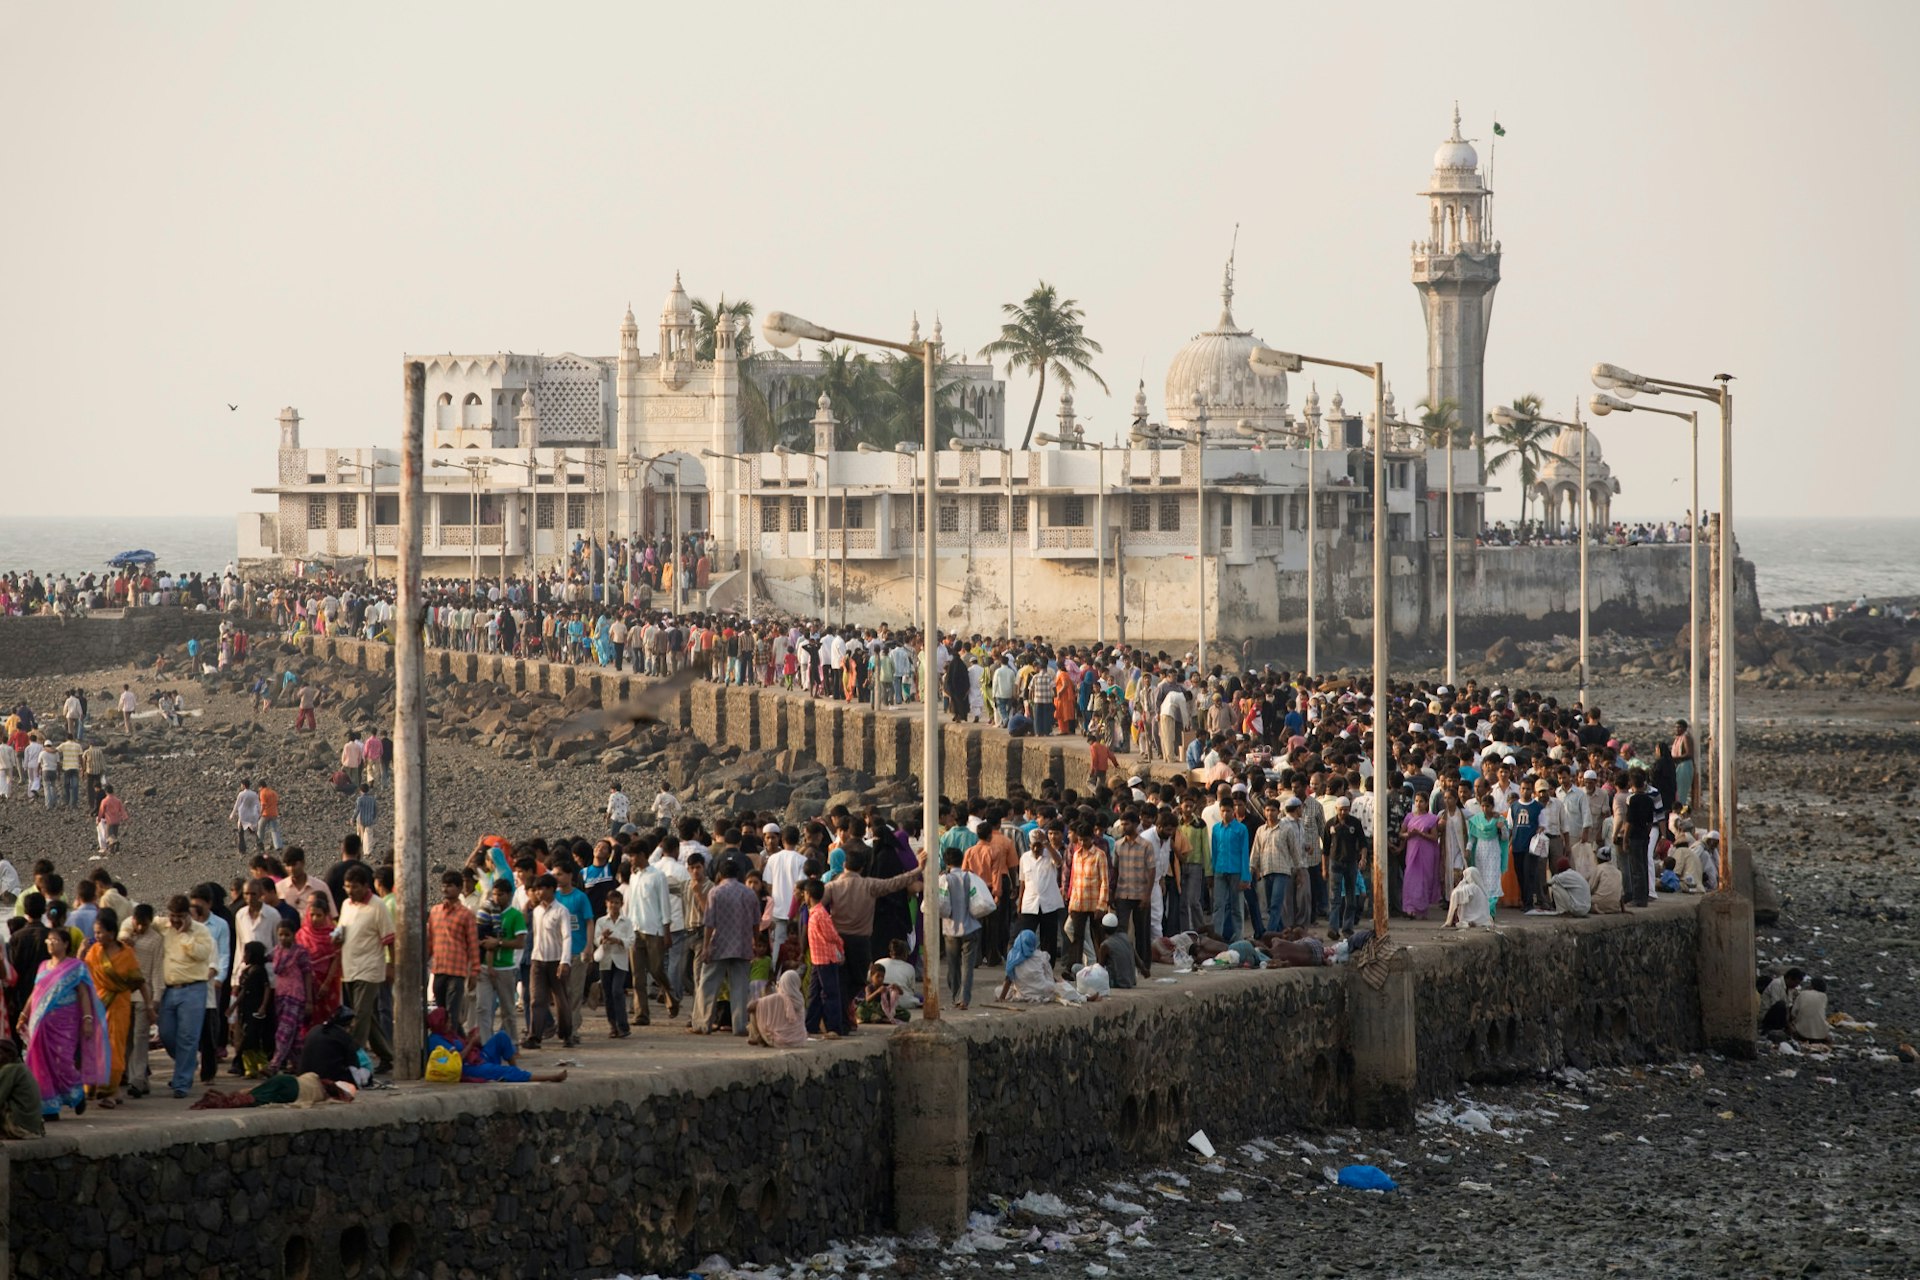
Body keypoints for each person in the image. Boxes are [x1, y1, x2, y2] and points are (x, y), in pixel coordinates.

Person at [18, 925, 108, 1119]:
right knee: (40, 1063)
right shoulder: (43, 966)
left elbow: (84, 994)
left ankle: (77, 1093)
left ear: (66, 944)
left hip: (65, 1022)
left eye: (55, 940)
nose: (50, 944)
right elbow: (36, 993)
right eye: (48, 940)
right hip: (41, 1023)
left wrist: (87, 1019)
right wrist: (24, 1015)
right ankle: (50, 1107)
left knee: (64, 1062)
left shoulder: (76, 967)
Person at [82, 908, 143, 1109]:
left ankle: (110, 1091)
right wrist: (80, 953)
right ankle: (95, 1086)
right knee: (95, 1046)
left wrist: (150, 1005)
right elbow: (82, 977)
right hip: (97, 1004)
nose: (97, 936)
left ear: (112, 932)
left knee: (115, 1048)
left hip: (119, 1005)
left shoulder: (126, 953)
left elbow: (137, 981)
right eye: (95, 932)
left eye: (100, 932)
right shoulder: (93, 953)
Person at [337, 866, 395, 1073]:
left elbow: (389, 938)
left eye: (354, 887)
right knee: (367, 1016)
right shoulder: (346, 905)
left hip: (370, 969)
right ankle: (388, 1055)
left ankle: (352, 1061)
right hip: (349, 968)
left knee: (359, 1017)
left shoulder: (378, 906)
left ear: (365, 886)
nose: (350, 891)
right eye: (347, 887)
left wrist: (391, 966)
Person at [154, 894, 214, 1098]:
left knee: (188, 1037)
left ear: (188, 915)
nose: (175, 920)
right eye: (173, 916)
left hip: (194, 989)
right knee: (166, 1034)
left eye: (180, 916)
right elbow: (136, 917)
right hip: (169, 989)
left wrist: (184, 935)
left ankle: (181, 1083)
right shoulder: (163, 926)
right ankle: (187, 1062)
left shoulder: (201, 931)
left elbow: (202, 954)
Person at [696, 860, 758, 1036]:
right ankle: (739, 1025)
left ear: (720, 874)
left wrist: (706, 946)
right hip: (743, 944)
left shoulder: (715, 892)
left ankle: (703, 1023)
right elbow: (756, 923)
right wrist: (755, 941)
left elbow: (709, 922)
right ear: (738, 874)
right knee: (739, 987)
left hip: (719, 944)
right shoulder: (749, 893)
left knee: (708, 984)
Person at [936, 847, 992, 1010]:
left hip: (950, 929)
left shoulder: (944, 879)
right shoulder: (971, 877)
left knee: (952, 965)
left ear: (946, 862)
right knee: (968, 967)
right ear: (962, 860)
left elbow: (937, 902)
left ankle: (955, 996)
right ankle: (964, 999)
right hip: (971, 927)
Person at [427, 870, 480, 1034]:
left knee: (452, 1013)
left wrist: (475, 971)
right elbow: (430, 940)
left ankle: (455, 1049)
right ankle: (455, 1045)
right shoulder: (435, 912)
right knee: (441, 1014)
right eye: (443, 885)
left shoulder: (466, 915)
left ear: (459, 888)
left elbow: (473, 944)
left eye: (449, 885)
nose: (445, 889)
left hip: (457, 971)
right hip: (439, 969)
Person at [801, 879, 847, 1039]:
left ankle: (834, 1028)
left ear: (808, 895)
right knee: (814, 993)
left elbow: (832, 936)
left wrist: (840, 949)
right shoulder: (816, 913)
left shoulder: (820, 914)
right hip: (817, 959)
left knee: (830, 994)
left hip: (825, 960)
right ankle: (810, 1025)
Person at [269, 919, 313, 1072]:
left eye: (287, 935)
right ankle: (298, 1066)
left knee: (284, 1031)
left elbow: (308, 975)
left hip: (295, 996)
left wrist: (309, 1001)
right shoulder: (276, 951)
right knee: (293, 1036)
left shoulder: (300, 952)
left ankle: (274, 1064)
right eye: (280, 935)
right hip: (280, 996)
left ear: (294, 935)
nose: (283, 938)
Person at [231, 941, 275, 1077]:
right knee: (245, 1039)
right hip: (245, 1009)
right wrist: (234, 1006)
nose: (244, 956)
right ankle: (249, 1068)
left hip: (256, 1011)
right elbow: (243, 991)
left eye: (246, 953)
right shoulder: (245, 972)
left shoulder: (260, 971)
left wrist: (263, 1006)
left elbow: (267, 988)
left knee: (254, 1039)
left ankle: (263, 1065)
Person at [594, 889, 634, 1039]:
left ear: (622, 904)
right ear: (607, 903)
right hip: (605, 960)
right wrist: (602, 938)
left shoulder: (627, 922)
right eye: (612, 902)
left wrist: (618, 941)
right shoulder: (601, 921)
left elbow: (631, 940)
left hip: (620, 961)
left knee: (617, 991)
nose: (614, 905)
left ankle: (623, 1025)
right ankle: (613, 1025)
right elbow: (595, 939)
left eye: (617, 903)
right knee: (608, 994)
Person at [1400, 792, 1444, 919]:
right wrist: (1408, 835)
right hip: (1412, 851)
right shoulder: (1409, 817)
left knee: (1424, 880)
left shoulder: (1431, 818)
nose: (1418, 804)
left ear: (1426, 803)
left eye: (1421, 801)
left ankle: (1421, 909)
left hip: (1426, 852)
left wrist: (1420, 834)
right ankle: (1409, 908)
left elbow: (1434, 837)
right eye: (1417, 801)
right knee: (1410, 879)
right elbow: (1401, 833)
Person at [746, 970, 808, 1048]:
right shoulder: (800, 999)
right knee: (765, 1008)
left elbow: (749, 1007)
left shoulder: (778, 998)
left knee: (757, 1008)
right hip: (798, 1040)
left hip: (780, 1040)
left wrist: (764, 1001)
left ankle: (755, 1037)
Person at [0, 1041, 45, 1138]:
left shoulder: (9, 1069)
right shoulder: (21, 1068)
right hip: (32, 1126)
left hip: (20, 1126)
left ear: (8, 1055)